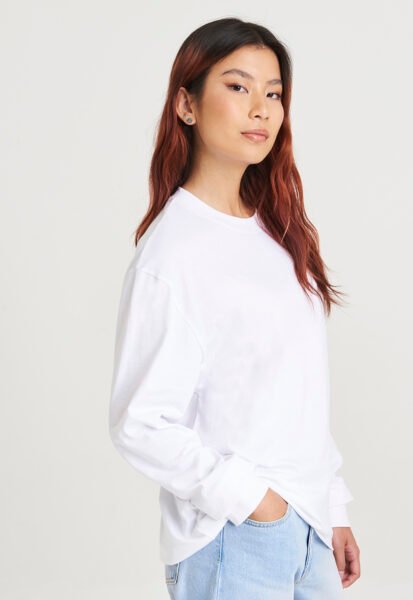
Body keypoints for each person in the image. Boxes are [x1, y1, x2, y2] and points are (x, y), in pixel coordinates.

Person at [108, 17, 361, 599]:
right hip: (233, 537)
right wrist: (253, 502)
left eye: (273, 93)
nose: (260, 109)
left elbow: (296, 389)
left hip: (309, 530)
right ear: (186, 105)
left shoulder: (278, 235)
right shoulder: (171, 254)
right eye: (238, 86)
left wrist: (332, 506)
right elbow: (140, 422)